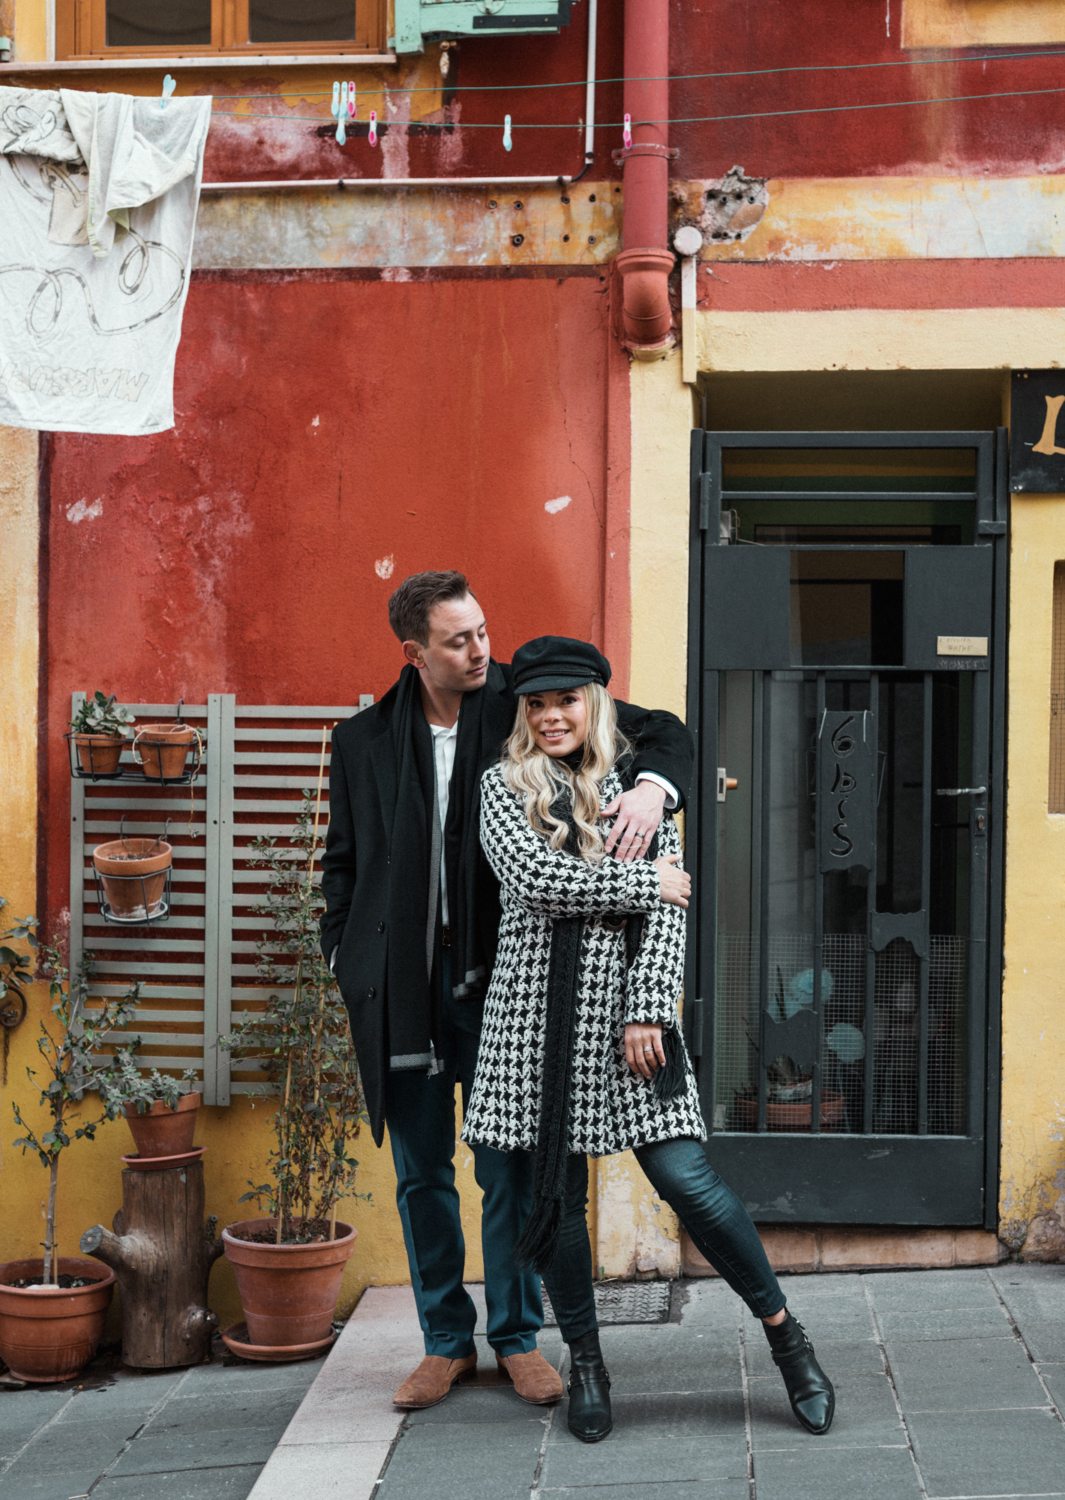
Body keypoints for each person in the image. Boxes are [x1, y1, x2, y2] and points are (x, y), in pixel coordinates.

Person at [320, 573, 693, 1412]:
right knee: (421, 1178)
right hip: (400, 996)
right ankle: (444, 1343)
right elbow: (342, 865)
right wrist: (343, 955)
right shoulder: (362, 742)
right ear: (415, 654)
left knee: (511, 1174)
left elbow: (660, 732)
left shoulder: (519, 710)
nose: (481, 649)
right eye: (458, 640)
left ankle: (518, 1337)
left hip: (502, 990)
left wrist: (648, 788)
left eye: (482, 629)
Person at [462, 635, 836, 1443]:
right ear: (522, 713)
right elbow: (534, 880)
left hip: (633, 1024)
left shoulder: (640, 791)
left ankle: (786, 1339)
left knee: (689, 1180)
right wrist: (642, 879)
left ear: (593, 701)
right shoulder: (501, 785)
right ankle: (588, 1364)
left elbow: (668, 917)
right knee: (555, 1201)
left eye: (566, 700)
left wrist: (647, 1011)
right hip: (535, 1023)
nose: (552, 715)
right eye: (537, 703)